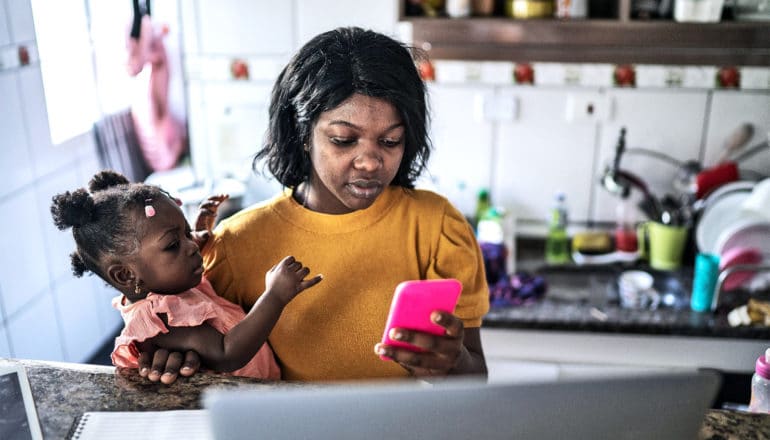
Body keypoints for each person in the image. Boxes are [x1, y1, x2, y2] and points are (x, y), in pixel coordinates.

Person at [139, 26, 490, 383]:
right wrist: (177, 355)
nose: (370, 162)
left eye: (389, 141)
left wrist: (453, 362)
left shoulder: (438, 227)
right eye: (343, 140)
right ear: (303, 133)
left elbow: (476, 376)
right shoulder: (234, 246)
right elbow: (209, 361)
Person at [50, 170, 322, 380]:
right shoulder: (161, 320)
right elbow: (228, 353)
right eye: (172, 244)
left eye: (186, 232)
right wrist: (274, 295)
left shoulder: (169, 284)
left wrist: (199, 229)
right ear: (125, 275)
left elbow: (182, 261)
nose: (191, 246)